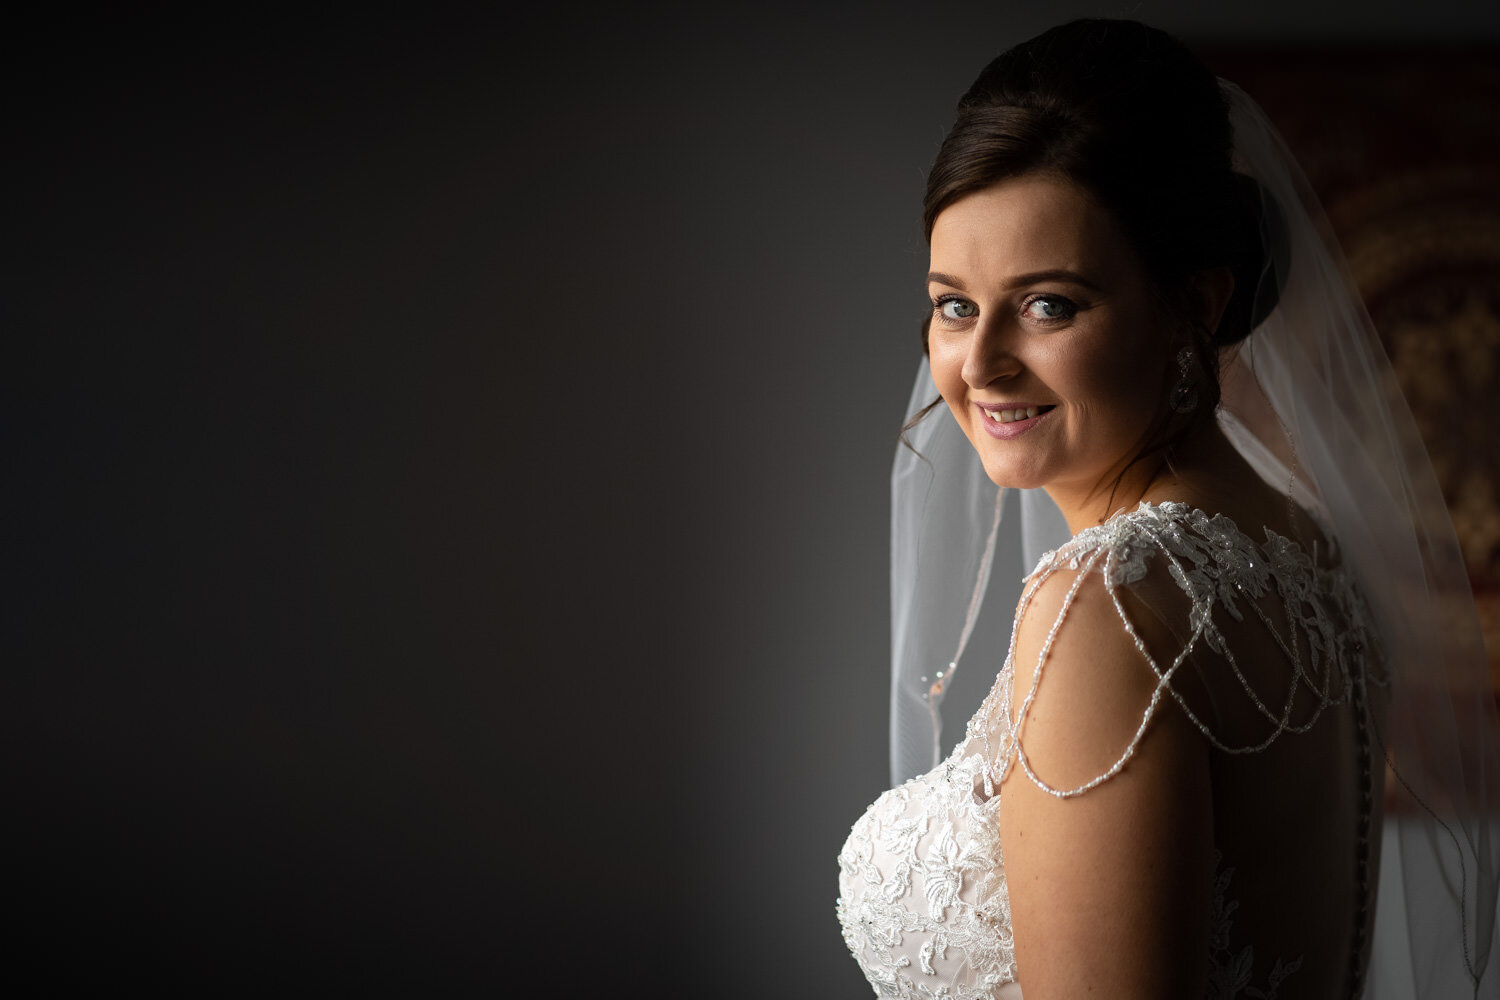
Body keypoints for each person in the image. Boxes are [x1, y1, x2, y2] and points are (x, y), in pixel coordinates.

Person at [835, 19, 1500, 1000]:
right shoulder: (1300, 548)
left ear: (1193, 301)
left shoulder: (1107, 603)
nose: (978, 366)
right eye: (954, 304)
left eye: (1049, 304)